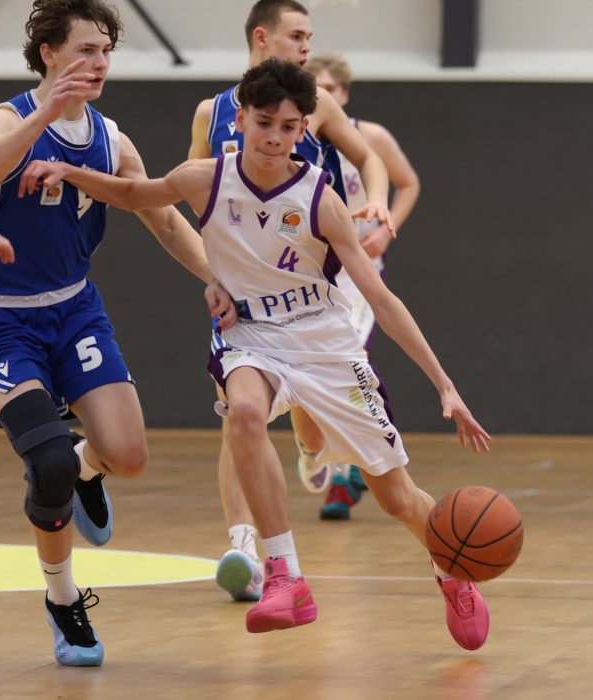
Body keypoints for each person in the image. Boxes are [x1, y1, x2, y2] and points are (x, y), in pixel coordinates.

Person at [20, 57, 494, 651]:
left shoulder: (320, 199)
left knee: (397, 497)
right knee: (243, 412)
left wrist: (444, 383)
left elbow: (380, 297)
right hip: (251, 336)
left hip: (324, 343)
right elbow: (136, 192)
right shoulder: (204, 178)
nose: (274, 137)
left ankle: (450, 571)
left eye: (289, 127)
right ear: (240, 119)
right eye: (264, 122)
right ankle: (285, 575)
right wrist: (66, 169)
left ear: (304, 130)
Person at [0, 0, 234, 667]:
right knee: (48, 463)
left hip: (75, 311)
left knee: (129, 455)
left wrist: (220, 278)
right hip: (2, 321)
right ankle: (62, 599)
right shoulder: (7, 119)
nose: (99, 61)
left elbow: (165, 219)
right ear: (49, 53)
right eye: (85, 49)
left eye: (106, 50)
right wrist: (47, 113)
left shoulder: (112, 139)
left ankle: (89, 472)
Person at [189, 0, 397, 602]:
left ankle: (311, 444)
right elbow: (193, 199)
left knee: (311, 397)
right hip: (247, 286)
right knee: (239, 412)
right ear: (263, 37)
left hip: (313, 280)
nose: (308, 46)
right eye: (298, 35)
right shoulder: (210, 113)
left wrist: (376, 199)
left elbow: (370, 158)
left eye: (310, 36)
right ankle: (242, 549)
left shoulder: (317, 102)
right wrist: (211, 275)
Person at [303, 52, 421, 520]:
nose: (322, 96)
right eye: (314, 87)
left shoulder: (370, 138)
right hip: (311, 270)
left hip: (358, 271)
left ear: (344, 94)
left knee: (345, 361)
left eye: (330, 89)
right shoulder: (293, 138)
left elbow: (408, 183)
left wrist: (386, 226)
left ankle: (344, 476)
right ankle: (337, 459)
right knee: (319, 367)